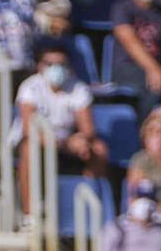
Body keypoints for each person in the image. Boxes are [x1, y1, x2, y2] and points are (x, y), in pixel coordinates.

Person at [12, 41, 107, 216]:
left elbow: (88, 129)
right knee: (28, 148)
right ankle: (29, 214)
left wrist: (78, 141)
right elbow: (28, 128)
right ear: (40, 66)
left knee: (98, 150)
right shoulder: (30, 87)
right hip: (37, 141)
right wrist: (58, 143)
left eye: (61, 64)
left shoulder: (78, 88)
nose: (57, 68)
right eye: (51, 64)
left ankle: (87, 210)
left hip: (64, 143)